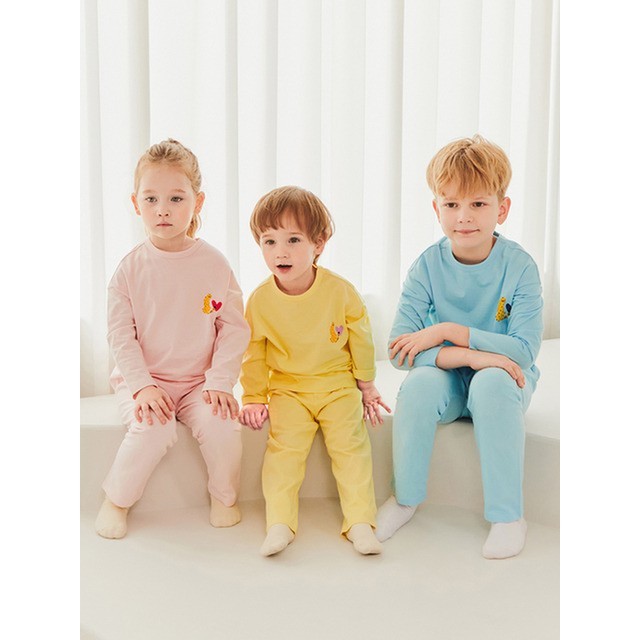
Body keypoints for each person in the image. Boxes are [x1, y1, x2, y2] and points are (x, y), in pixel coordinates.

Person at [376, 135, 543, 559]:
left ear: (501, 209)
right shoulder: (427, 266)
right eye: (451, 204)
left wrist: (448, 330)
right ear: (436, 209)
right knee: (419, 385)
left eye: (478, 204)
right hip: (449, 376)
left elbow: (523, 351)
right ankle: (405, 499)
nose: (463, 216)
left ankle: (508, 516)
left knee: (491, 382)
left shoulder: (520, 267)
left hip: (504, 381)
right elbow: (398, 350)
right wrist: (471, 355)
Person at [95, 139, 250, 539]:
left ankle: (224, 497)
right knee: (153, 430)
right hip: (146, 381)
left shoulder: (214, 263)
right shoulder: (129, 269)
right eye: (151, 199)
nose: (162, 209)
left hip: (200, 382)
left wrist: (219, 381)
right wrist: (142, 385)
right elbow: (121, 336)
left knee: (222, 425)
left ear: (198, 203)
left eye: (176, 198)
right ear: (136, 204)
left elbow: (234, 328)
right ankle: (116, 501)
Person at [239, 186, 391, 557]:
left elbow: (361, 336)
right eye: (269, 241)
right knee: (284, 453)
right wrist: (254, 396)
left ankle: (360, 522)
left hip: (337, 386)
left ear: (318, 243)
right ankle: (279, 523)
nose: (280, 252)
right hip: (288, 390)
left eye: (293, 240)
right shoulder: (260, 300)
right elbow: (254, 353)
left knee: (351, 448)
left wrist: (367, 385)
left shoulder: (340, 291)